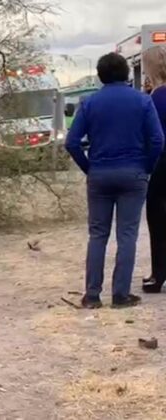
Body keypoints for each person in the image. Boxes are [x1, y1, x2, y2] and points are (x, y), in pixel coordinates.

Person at [65, 53, 165, 308]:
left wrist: (89, 168)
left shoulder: (89, 103)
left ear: (100, 76)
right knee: (127, 234)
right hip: (133, 173)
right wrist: (146, 168)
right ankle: (120, 294)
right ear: (127, 74)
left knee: (97, 234)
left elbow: (72, 142)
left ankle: (92, 295)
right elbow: (157, 140)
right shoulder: (143, 101)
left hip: (100, 173)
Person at [142, 46, 166, 293]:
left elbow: (152, 136)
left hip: (162, 161)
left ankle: (158, 273)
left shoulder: (153, 99)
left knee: (157, 216)